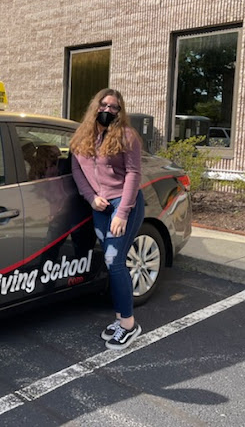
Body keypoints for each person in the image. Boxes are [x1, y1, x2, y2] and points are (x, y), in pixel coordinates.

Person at [70, 88, 145, 350]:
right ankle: (119, 318)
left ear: (120, 112)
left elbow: (134, 174)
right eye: (104, 105)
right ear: (95, 106)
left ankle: (128, 324)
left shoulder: (127, 135)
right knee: (111, 259)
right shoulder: (83, 135)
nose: (108, 111)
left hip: (124, 204)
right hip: (99, 206)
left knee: (114, 261)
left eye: (114, 107)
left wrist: (122, 212)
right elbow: (77, 169)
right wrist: (91, 197)